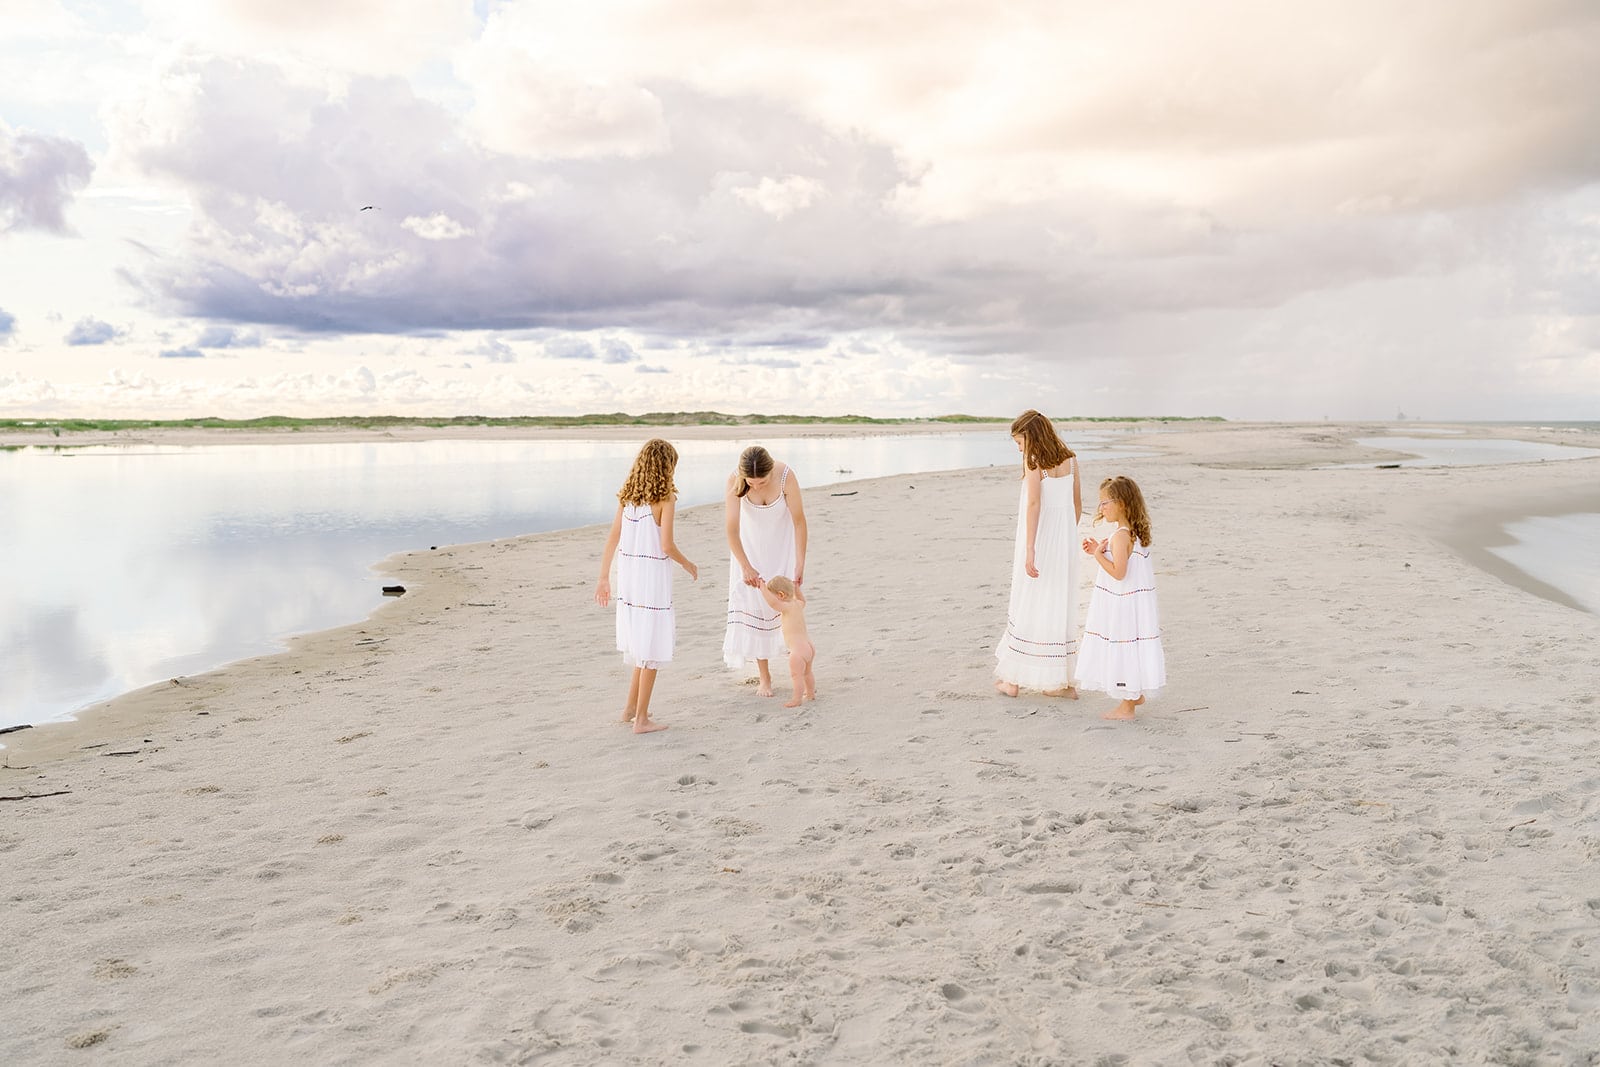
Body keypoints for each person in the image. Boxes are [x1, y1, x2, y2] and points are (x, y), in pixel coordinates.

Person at [595, 439, 698, 734]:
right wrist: (687, 563)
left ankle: (629, 709)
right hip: (651, 579)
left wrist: (604, 577)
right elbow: (666, 545)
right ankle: (641, 719)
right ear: (667, 467)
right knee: (651, 645)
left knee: (641, 643)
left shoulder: (627, 497)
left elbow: (612, 538)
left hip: (629, 578)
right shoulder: (665, 499)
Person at [994, 410, 1082, 698]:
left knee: (1028, 600)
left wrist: (1031, 548)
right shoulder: (1070, 459)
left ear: (1030, 436)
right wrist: (1067, 535)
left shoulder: (1034, 462)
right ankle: (1058, 682)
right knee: (1057, 602)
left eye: (1019, 441)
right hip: (1064, 541)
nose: (1019, 448)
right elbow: (1076, 505)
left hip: (1040, 539)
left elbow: (1034, 505)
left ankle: (1013, 679)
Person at [1076, 475, 1165, 720]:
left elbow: (1119, 572)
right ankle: (1134, 695)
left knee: (1123, 647)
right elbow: (1126, 562)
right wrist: (1102, 548)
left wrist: (1097, 556)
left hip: (1123, 605)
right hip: (1135, 604)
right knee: (1132, 646)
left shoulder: (1120, 536)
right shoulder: (1134, 533)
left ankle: (1127, 706)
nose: (1101, 508)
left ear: (1122, 503)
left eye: (1106, 502)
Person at [723, 445, 807, 696]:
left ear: (771, 471)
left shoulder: (785, 476)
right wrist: (745, 566)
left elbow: (799, 522)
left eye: (762, 481)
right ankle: (764, 677)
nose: (757, 486)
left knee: (789, 608)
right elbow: (731, 530)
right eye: (752, 482)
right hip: (750, 552)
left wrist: (800, 561)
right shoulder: (734, 480)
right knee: (756, 607)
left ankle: (800, 668)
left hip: (782, 548)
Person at [758, 575, 817, 709]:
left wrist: (763, 589)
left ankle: (797, 699)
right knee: (807, 672)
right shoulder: (797, 604)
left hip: (798, 651)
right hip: (809, 646)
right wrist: (797, 589)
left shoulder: (786, 607)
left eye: (774, 595)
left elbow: (773, 603)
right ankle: (810, 693)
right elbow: (803, 599)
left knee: (796, 675)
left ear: (781, 595)